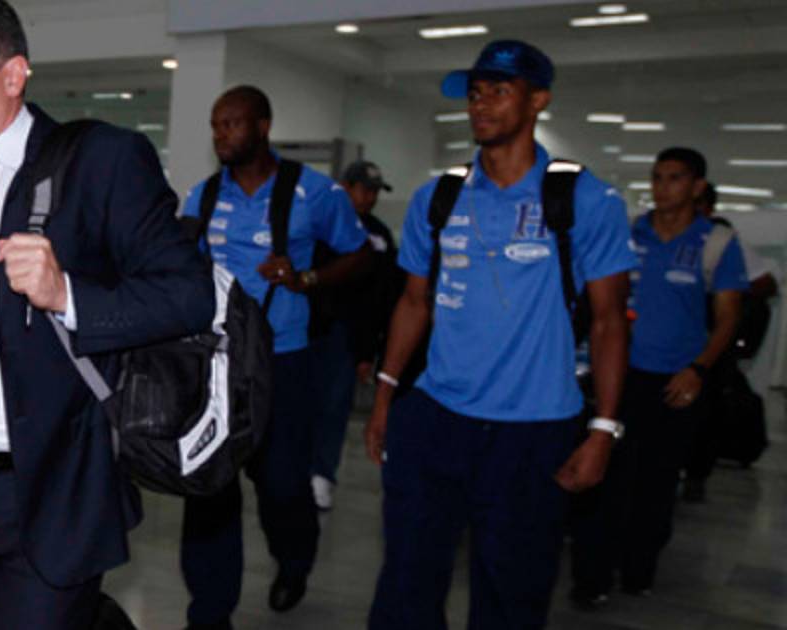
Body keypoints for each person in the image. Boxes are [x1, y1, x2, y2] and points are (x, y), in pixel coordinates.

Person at [0, 1, 214, 628]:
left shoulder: (99, 162)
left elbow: (190, 294)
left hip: (51, 491)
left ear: (13, 75)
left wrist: (68, 295)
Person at [363, 40, 635, 629]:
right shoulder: (439, 197)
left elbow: (610, 321)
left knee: (511, 595)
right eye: (475, 93)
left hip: (533, 431)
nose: (480, 105)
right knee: (405, 585)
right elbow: (413, 302)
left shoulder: (585, 199)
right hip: (435, 418)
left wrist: (604, 429)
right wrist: (385, 393)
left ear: (538, 100)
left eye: (499, 91)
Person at [178, 85, 370, 629]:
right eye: (216, 125)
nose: (221, 135)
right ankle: (209, 610)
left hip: (284, 360)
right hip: (218, 362)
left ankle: (294, 558)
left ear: (262, 126)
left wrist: (307, 277)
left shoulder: (314, 193)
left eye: (232, 124)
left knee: (282, 485)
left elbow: (359, 255)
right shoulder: (202, 197)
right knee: (210, 486)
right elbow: (181, 267)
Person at [570, 149, 747, 606]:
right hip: (619, 376)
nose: (662, 187)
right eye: (656, 177)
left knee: (655, 482)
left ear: (697, 187)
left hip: (676, 382)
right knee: (605, 477)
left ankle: (638, 569)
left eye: (674, 178)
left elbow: (728, 317)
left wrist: (698, 370)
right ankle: (591, 578)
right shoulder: (630, 234)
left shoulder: (716, 242)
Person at [308, 160, 401, 511]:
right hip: (309, 332)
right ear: (346, 188)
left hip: (349, 339)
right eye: (365, 189)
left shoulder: (378, 236)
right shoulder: (318, 227)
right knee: (301, 406)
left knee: (334, 408)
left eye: (375, 192)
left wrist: (369, 351)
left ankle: (321, 475)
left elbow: (386, 297)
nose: (370, 197)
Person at [683, 182, 779, 502]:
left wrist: (724, 287)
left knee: (705, 408)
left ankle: (696, 474)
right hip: (671, 340)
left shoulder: (721, 242)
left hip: (711, 341)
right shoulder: (656, 235)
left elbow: (765, 283)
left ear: (708, 208)